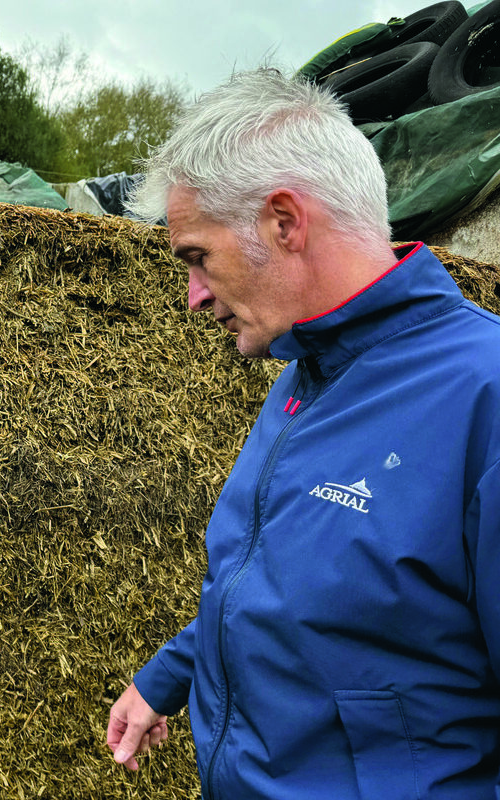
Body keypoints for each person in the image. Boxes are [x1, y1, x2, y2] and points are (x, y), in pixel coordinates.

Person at [106, 68, 500, 799]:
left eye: (197, 257)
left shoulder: (486, 394)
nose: (192, 297)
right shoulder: (304, 378)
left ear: (285, 222)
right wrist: (170, 675)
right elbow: (288, 588)